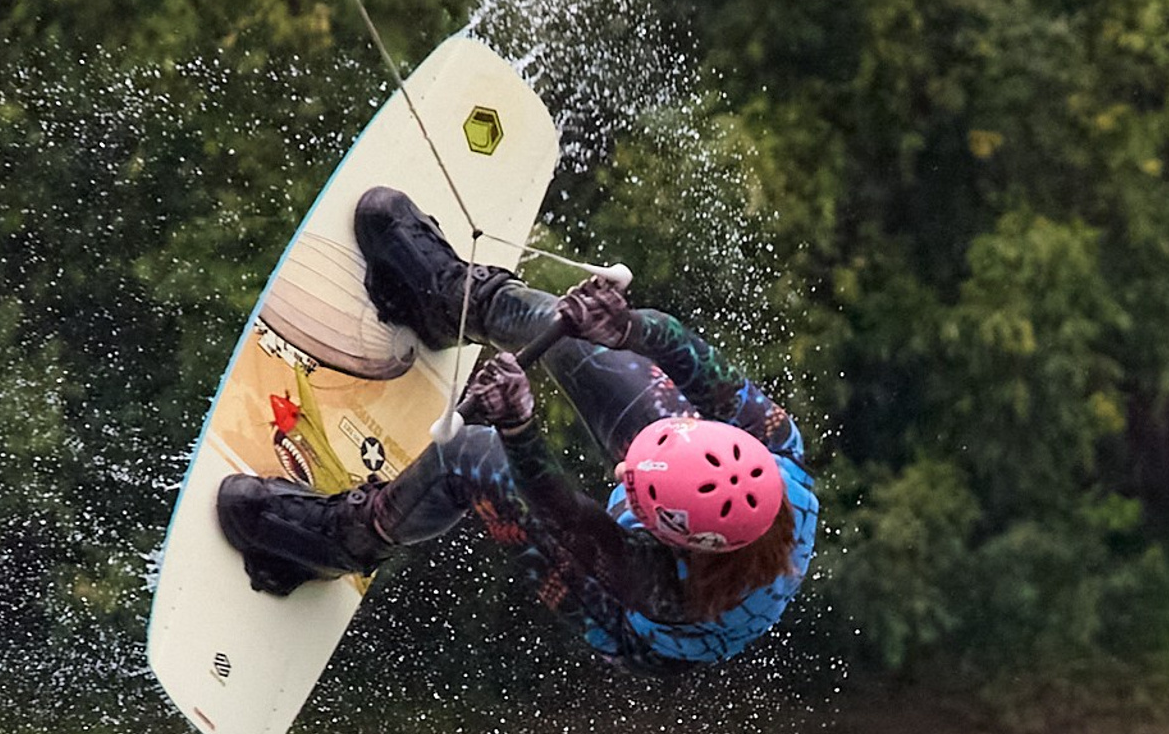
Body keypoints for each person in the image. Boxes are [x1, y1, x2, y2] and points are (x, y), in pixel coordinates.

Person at [217, 188, 817, 668]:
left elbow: (568, 515)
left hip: (628, 623)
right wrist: (625, 327)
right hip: (698, 507)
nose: (617, 467)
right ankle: (450, 300)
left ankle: (345, 540)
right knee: (574, 333)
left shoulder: (666, 593)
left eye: (630, 484)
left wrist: (522, 427)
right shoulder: (771, 442)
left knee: (473, 454)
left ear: (668, 534)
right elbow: (684, 352)